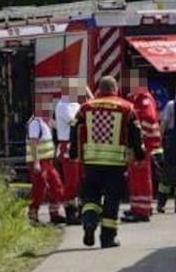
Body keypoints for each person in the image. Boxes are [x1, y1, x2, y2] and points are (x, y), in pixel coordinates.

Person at [68, 76, 144, 249]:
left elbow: (74, 127)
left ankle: (89, 222)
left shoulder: (86, 108)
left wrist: (73, 152)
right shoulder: (127, 107)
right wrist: (139, 154)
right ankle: (107, 238)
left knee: (91, 197)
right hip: (115, 164)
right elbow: (136, 132)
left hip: (91, 162)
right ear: (115, 89)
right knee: (111, 200)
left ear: (100, 89)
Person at [121, 78, 162, 223]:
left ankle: (142, 210)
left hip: (142, 145)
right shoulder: (136, 99)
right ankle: (137, 207)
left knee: (141, 178)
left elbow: (148, 118)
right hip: (136, 144)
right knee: (135, 178)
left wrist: (132, 114)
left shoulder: (145, 99)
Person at [24, 108, 67, 225]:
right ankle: (33, 214)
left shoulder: (45, 122)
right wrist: (36, 162)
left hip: (47, 162)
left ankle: (54, 213)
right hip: (38, 162)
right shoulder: (35, 123)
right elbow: (33, 142)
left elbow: (61, 128)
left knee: (56, 185)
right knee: (39, 188)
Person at [55, 87, 87, 211]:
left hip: (77, 144)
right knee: (71, 180)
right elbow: (74, 121)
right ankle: (69, 209)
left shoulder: (76, 104)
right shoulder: (63, 105)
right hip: (67, 144)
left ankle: (77, 205)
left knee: (79, 178)